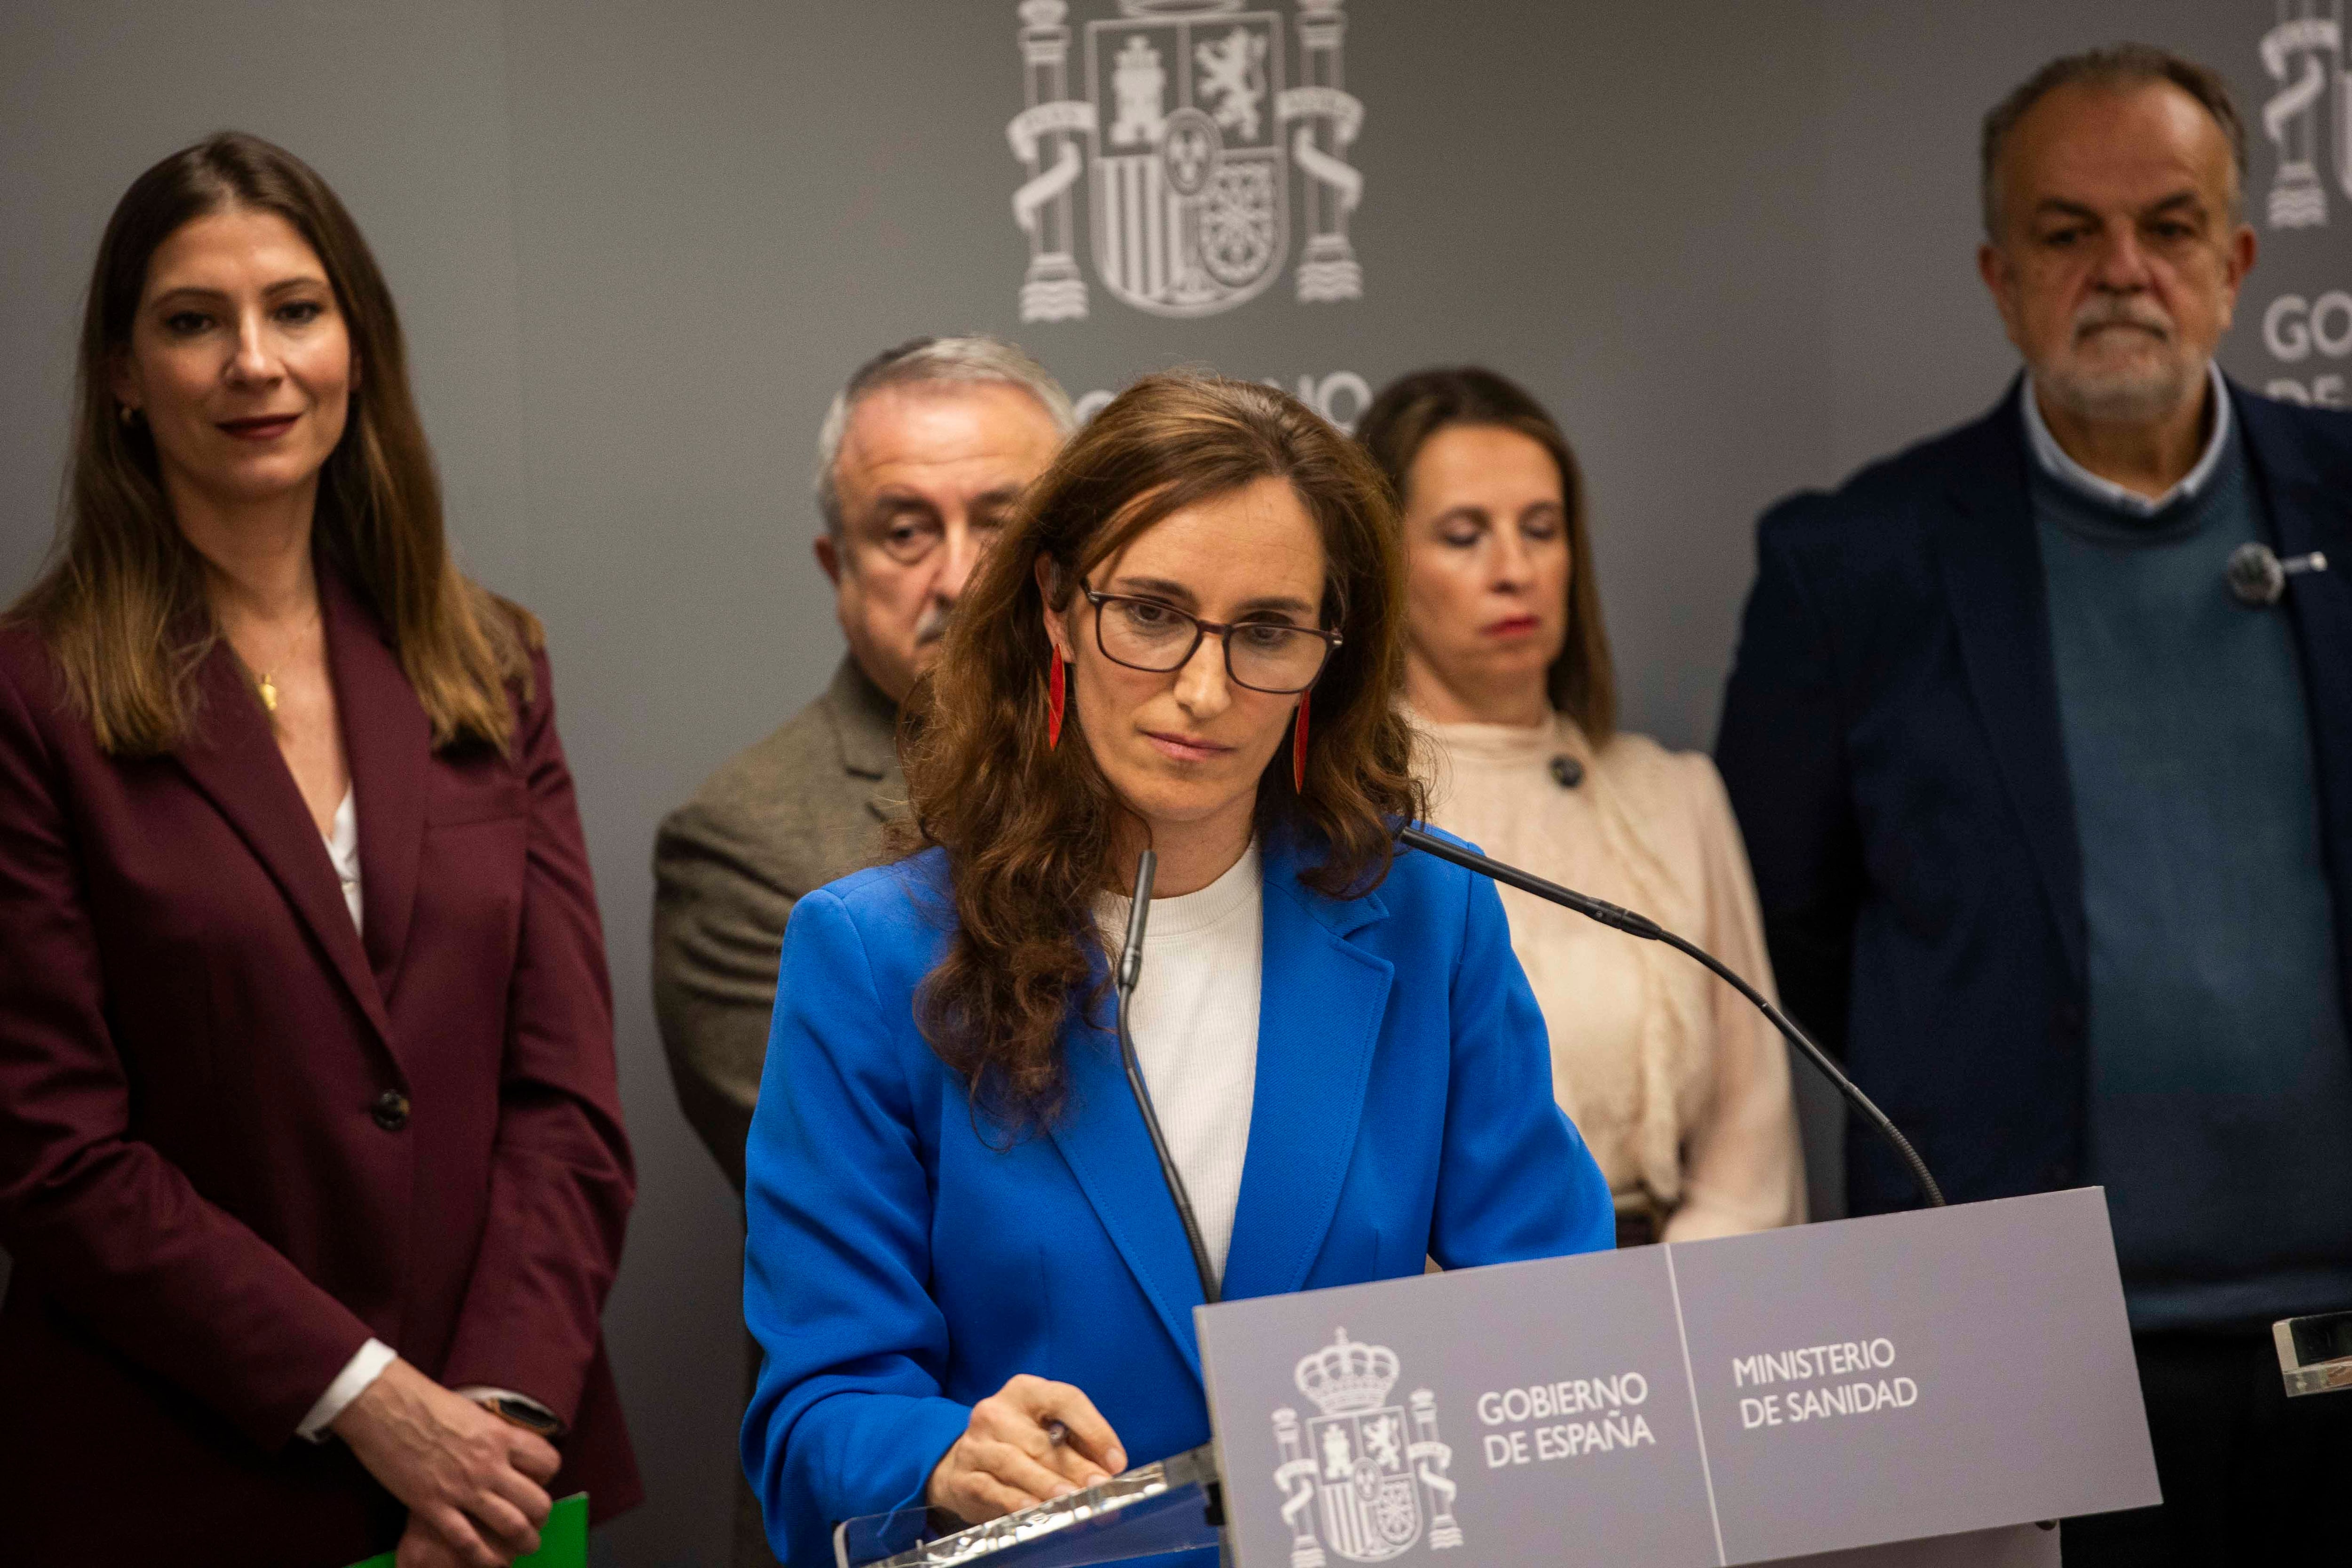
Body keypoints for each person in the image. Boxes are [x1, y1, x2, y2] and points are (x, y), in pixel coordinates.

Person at [740, 374, 1616, 1566]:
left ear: (1329, 651)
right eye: (1150, 613)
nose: (1204, 691)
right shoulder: (874, 951)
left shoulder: (1429, 908)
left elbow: (1557, 1317)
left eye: (1264, 631)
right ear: (1054, 605)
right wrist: (941, 1453)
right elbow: (813, 1418)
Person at [1714, 46, 2352, 1564]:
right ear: (2001, 277)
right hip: (2029, 1369)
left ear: (2238, 260)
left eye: (2169, 226)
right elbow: (1788, 935)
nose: (2121, 270)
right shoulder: (1852, 565)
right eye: (2068, 233)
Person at [0, 133, 637, 1567]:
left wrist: (484, 1424)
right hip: (178, 1481)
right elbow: (53, 1156)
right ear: (119, 373)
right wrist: (369, 1401)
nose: (254, 362)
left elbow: (568, 1098)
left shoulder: (491, 660)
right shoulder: (29, 699)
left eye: (295, 308)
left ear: (358, 343)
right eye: (190, 320)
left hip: (499, 1487)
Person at [653, 336, 1071, 1568]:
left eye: (1006, 517)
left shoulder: (1192, 784)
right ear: (838, 567)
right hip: (916, 1493)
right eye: (905, 530)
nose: (963, 572)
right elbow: (908, 1193)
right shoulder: (752, 835)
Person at [1360, 367, 1803, 1247]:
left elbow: (1754, 1135)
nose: (1514, 570)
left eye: (1541, 530)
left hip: (1690, 1301)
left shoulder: (1673, 795)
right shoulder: (1347, 813)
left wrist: (1681, 1308)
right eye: (1463, 536)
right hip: (1467, 1317)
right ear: (1387, 565)